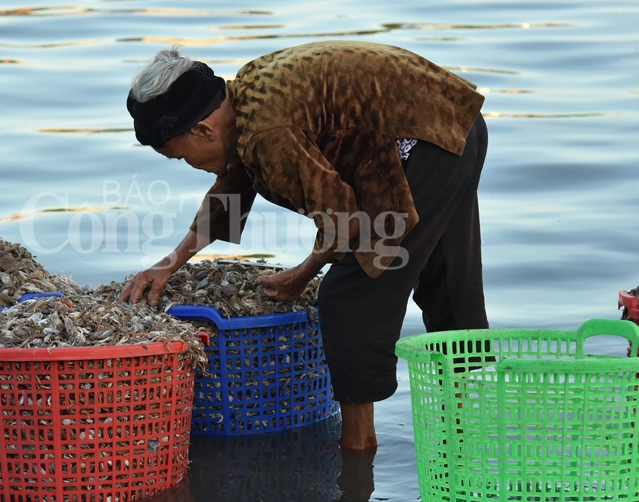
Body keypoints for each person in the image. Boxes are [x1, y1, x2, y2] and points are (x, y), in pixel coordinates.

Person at [120, 40, 490, 450]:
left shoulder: (266, 133)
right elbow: (234, 186)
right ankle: (467, 431)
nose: (191, 165)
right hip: (458, 118)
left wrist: (304, 271)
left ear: (203, 129)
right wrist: (170, 263)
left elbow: (341, 216)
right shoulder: (245, 95)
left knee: (350, 296)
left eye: (182, 157)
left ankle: (358, 449)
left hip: (426, 141)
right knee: (446, 271)